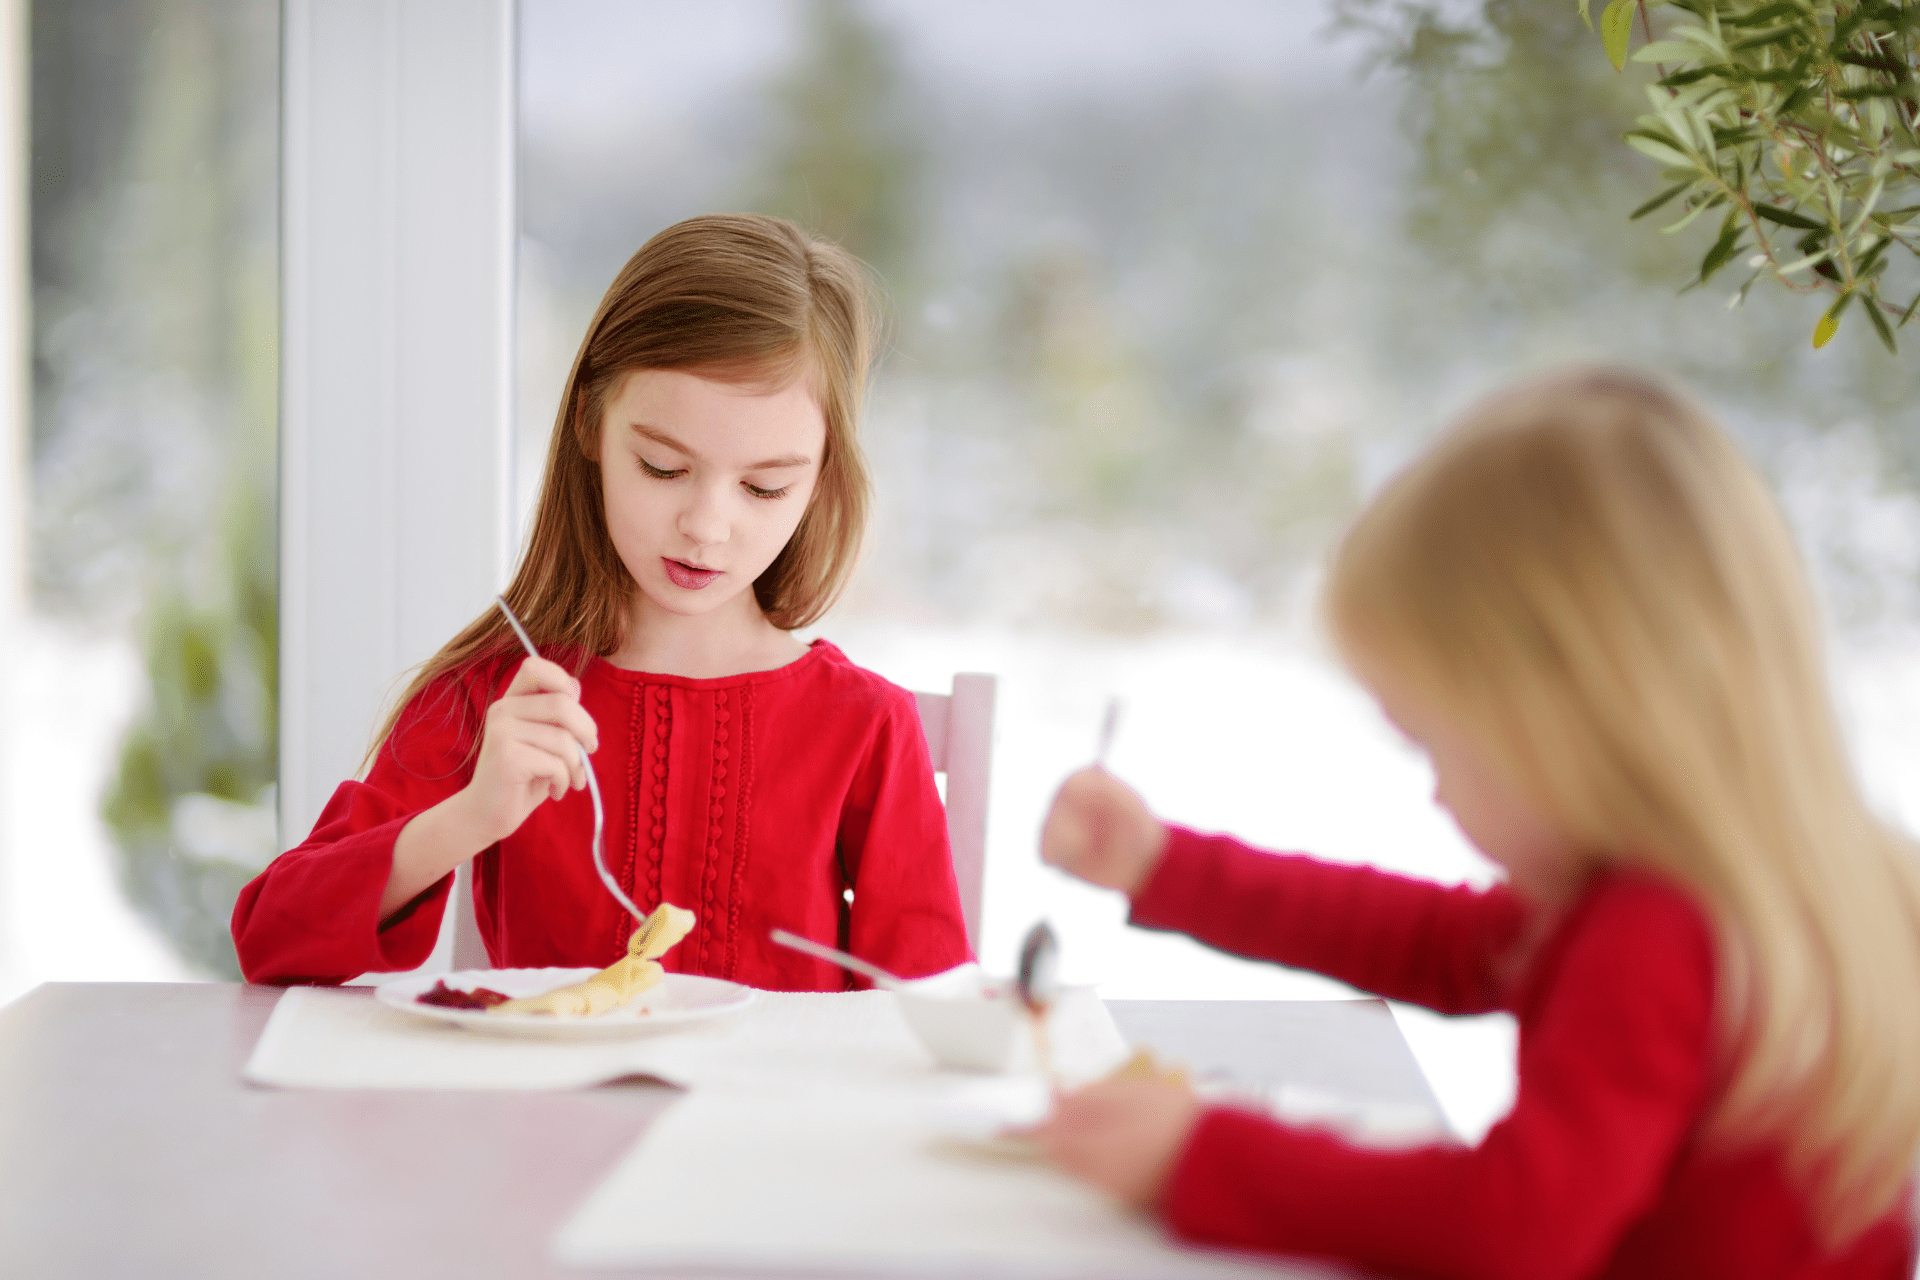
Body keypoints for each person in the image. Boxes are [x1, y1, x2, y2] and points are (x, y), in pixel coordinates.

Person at [1035, 368, 1920, 1278]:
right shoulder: (1791, 887)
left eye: (1433, 743)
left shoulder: (1658, 929)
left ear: (1566, 716)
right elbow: (1438, 942)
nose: (1436, 794)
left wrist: (1200, 1157)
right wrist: (1161, 864)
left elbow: (1513, 1225)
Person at [233, 214, 970, 990]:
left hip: (777, 1113)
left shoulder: (867, 729)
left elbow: (930, 1023)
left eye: (763, 487)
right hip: (545, 1112)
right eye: (662, 467)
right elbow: (271, 938)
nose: (706, 526)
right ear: (589, 423)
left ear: (820, 480)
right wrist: (470, 817)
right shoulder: (494, 697)